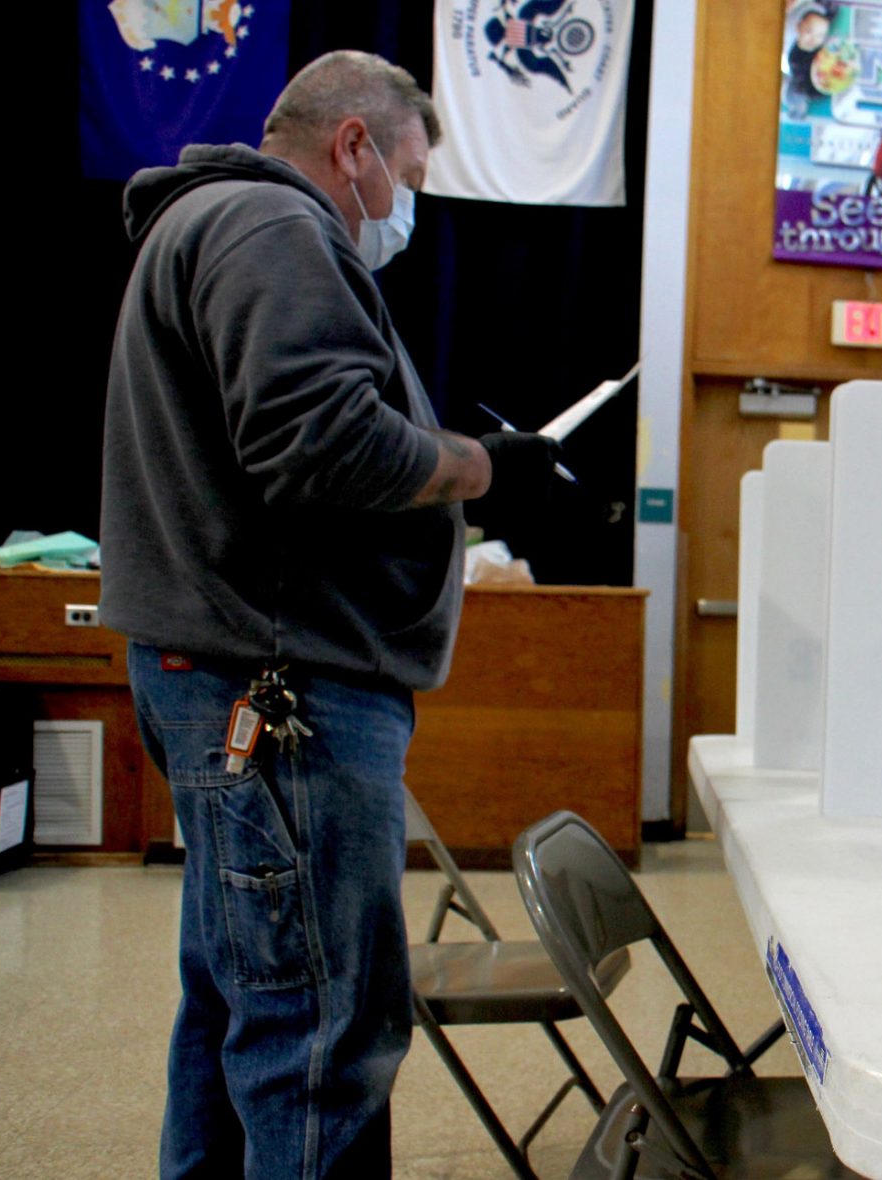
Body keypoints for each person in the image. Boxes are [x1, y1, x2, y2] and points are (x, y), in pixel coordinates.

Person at [99, 50, 563, 1179]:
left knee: (238, 1007)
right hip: (282, 689)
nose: (404, 205)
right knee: (320, 1034)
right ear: (353, 146)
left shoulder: (211, 225)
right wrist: (477, 465)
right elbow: (322, 439)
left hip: (231, 675)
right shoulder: (274, 227)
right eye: (404, 171)